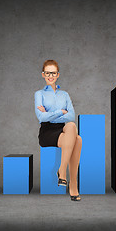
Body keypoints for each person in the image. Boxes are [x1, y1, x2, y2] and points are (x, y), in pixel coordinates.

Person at [34, 59, 82, 201]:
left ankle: (63, 171)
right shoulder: (39, 94)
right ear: (43, 74)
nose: (50, 76)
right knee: (77, 140)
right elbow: (41, 118)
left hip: (65, 130)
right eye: (47, 73)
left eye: (53, 73)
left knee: (72, 126)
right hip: (47, 132)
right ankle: (72, 185)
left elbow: (72, 116)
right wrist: (61, 112)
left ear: (58, 75)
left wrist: (50, 114)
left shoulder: (64, 95)